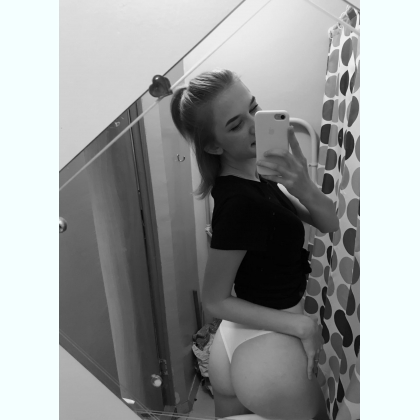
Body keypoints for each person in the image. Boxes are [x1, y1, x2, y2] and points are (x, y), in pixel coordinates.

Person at [170, 69, 339, 420]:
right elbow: (214, 299)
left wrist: (304, 184)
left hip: (236, 344)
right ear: (213, 146)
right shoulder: (240, 203)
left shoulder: (258, 178)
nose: (253, 126)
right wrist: (302, 326)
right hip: (270, 354)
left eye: (253, 109)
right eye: (236, 125)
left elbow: (328, 222)